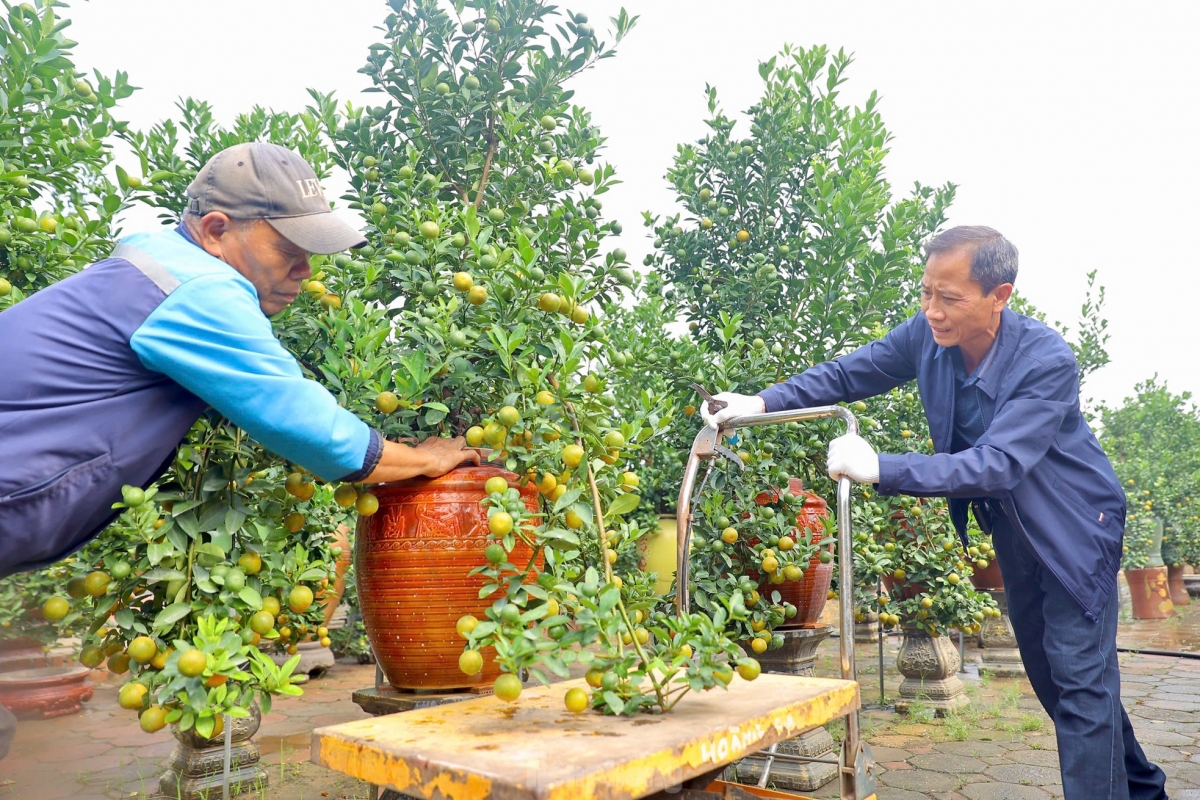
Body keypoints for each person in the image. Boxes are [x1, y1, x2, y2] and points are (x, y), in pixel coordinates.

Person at [0, 142, 478, 756]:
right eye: (289, 250)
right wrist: (424, 459)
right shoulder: (196, 289)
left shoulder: (148, 274)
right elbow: (307, 426)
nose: (305, 270)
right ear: (217, 230)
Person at [703, 226, 1166, 800]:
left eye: (950, 298)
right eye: (926, 293)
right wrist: (762, 401)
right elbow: (850, 373)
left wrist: (883, 467)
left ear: (1000, 296)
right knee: (1059, 685)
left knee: (1079, 686)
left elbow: (997, 464)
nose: (933, 311)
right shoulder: (928, 337)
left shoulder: (1045, 359)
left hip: (1075, 532)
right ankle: (1145, 789)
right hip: (1018, 535)